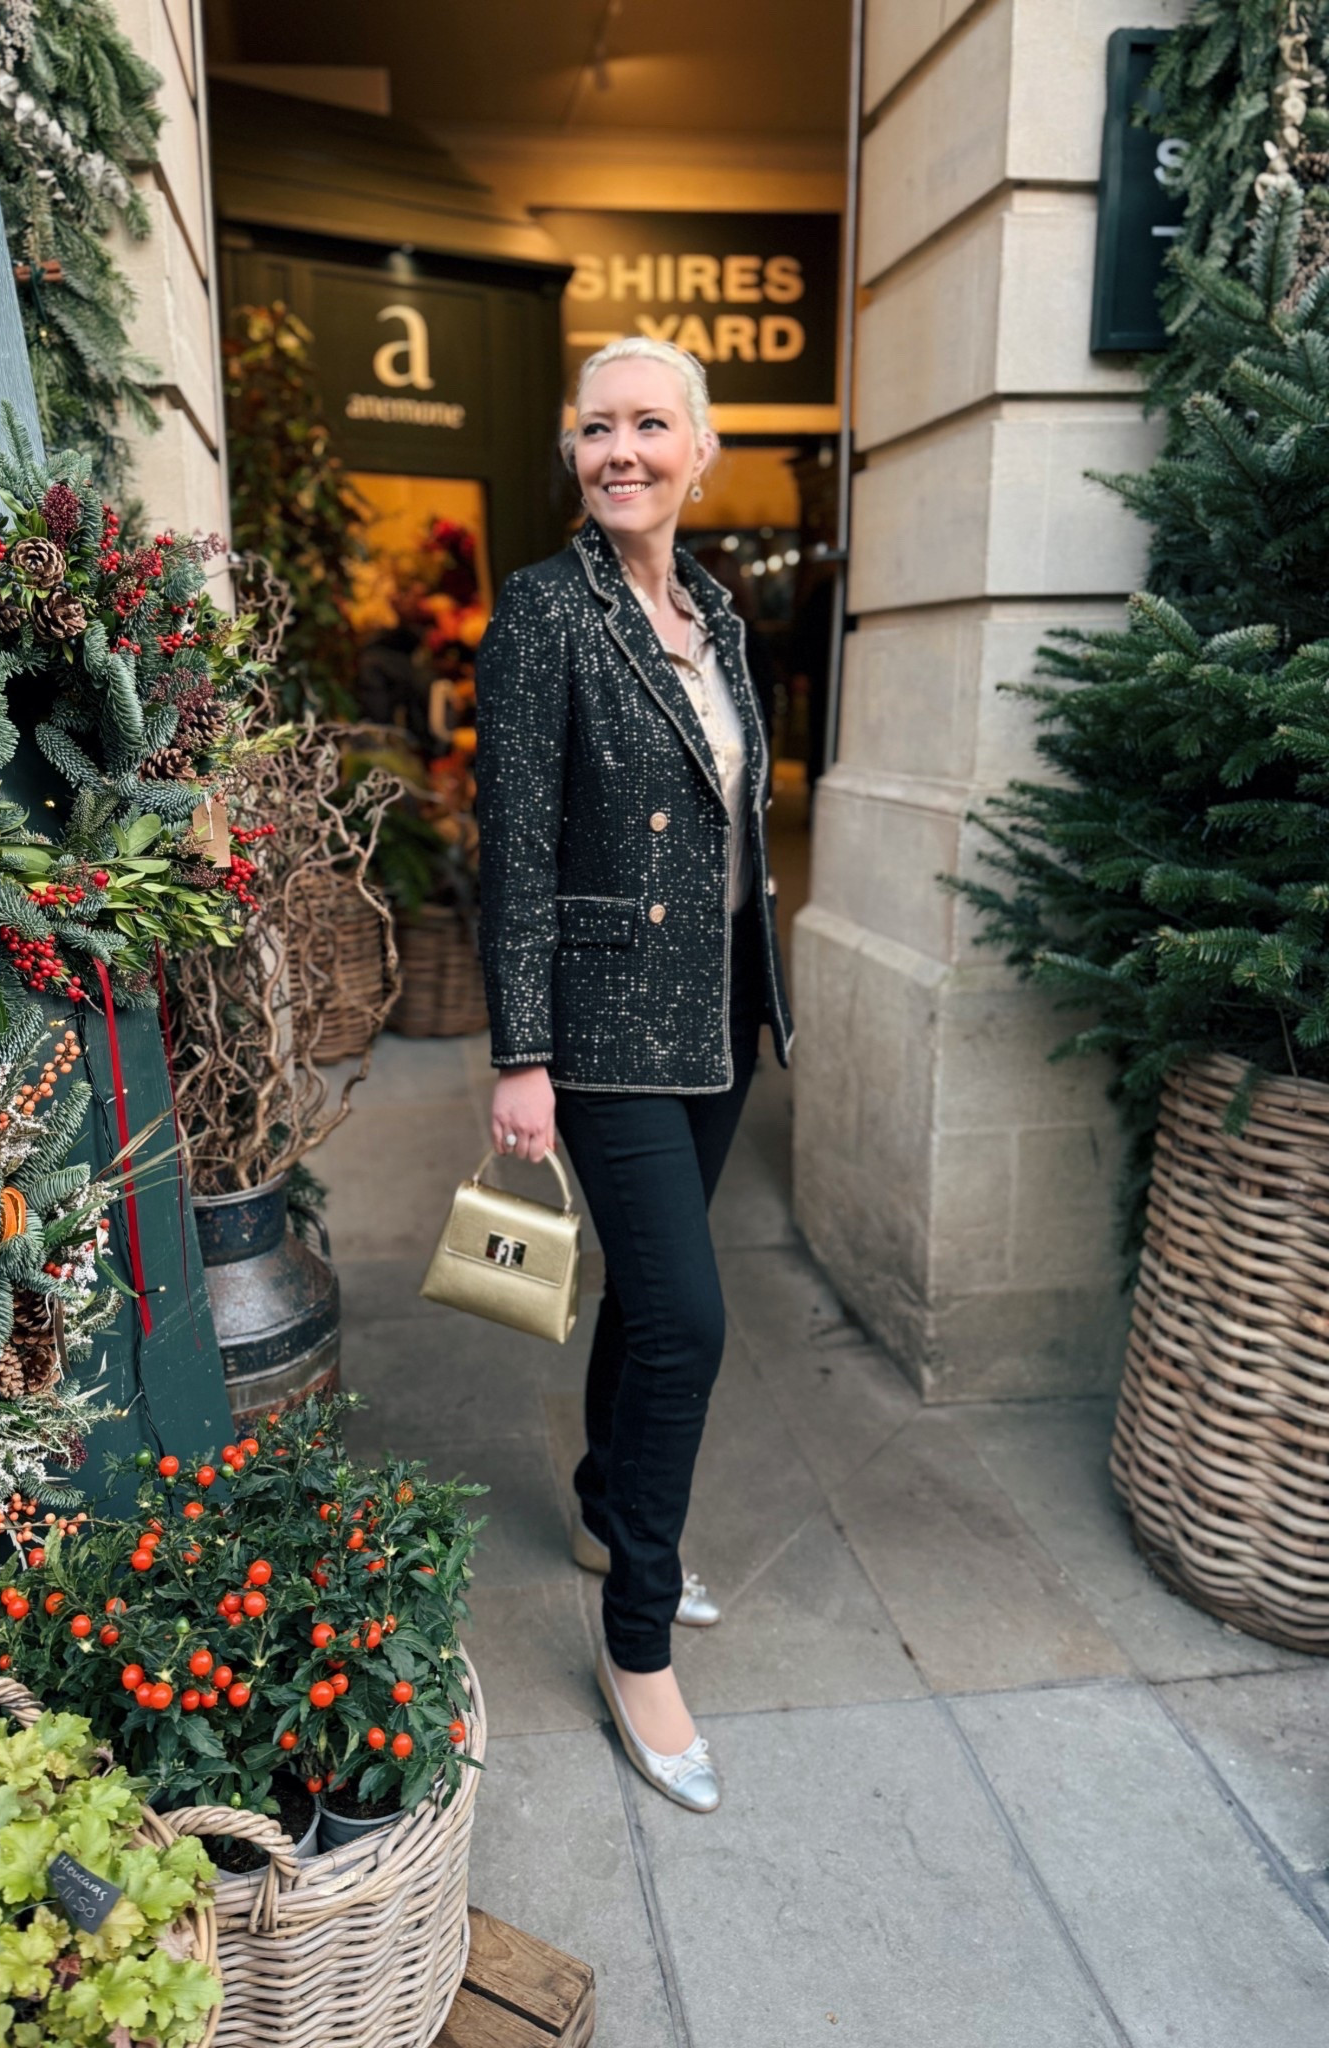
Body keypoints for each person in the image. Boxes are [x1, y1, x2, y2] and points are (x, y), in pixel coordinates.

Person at [475, 337, 794, 1813]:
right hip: (602, 1028)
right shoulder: (544, 615)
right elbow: (517, 848)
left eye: (649, 425)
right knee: (686, 1320)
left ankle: (609, 1511)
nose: (621, 449)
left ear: (699, 446)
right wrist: (521, 1052)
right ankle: (636, 1637)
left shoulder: (717, 616)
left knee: (649, 1298)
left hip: (718, 1019)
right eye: (597, 426)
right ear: (574, 449)